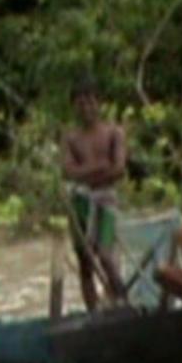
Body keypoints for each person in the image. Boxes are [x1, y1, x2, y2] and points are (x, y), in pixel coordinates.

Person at [60, 76, 128, 310]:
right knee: (85, 261)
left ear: (99, 103)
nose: (86, 107)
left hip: (106, 199)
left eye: (90, 101)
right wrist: (100, 168)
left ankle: (122, 300)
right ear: (74, 107)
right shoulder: (71, 137)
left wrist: (87, 173)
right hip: (79, 201)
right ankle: (93, 311)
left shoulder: (114, 132)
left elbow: (119, 169)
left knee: (106, 254)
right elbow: (68, 171)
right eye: (80, 103)